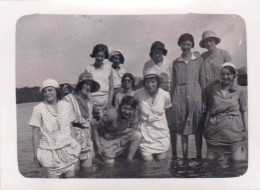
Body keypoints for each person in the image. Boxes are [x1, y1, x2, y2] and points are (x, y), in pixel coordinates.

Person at [29, 79, 80, 178]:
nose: (47, 93)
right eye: (44, 91)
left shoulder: (66, 105)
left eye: (50, 90)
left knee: (71, 183)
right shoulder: (38, 109)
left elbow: (71, 128)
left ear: (56, 91)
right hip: (49, 153)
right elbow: (35, 133)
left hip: (68, 149)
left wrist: (75, 147)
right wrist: (35, 156)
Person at [204, 63, 247, 166]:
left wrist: (246, 130)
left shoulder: (240, 90)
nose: (225, 77)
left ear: (234, 75)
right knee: (211, 164)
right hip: (214, 131)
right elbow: (209, 109)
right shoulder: (214, 89)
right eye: (223, 74)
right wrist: (205, 127)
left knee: (237, 164)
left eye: (228, 74)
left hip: (233, 132)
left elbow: (244, 110)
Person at [171, 33, 206, 159]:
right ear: (179, 45)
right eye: (183, 44)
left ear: (192, 45)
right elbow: (173, 83)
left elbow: (203, 81)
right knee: (181, 125)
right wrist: (172, 100)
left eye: (188, 44)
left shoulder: (199, 60)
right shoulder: (176, 62)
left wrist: (203, 101)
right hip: (179, 94)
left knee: (197, 125)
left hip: (195, 93)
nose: (185, 47)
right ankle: (185, 157)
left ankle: (198, 156)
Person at [143, 41, 177, 157]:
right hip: (152, 95)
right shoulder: (147, 64)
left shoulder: (169, 63)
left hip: (166, 95)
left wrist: (171, 96)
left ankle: (173, 152)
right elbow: (145, 82)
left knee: (169, 124)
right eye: (155, 53)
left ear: (163, 53)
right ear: (152, 54)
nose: (157, 55)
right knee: (153, 122)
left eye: (160, 52)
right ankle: (152, 147)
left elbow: (173, 81)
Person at [63, 71, 100, 168]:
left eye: (90, 85)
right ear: (80, 85)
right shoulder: (68, 99)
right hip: (72, 140)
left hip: (86, 140)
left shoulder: (90, 103)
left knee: (88, 173)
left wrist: (96, 144)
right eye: (86, 84)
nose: (88, 87)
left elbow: (92, 123)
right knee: (73, 173)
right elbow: (64, 123)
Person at [92, 96, 142, 164]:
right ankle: (99, 156)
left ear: (134, 110)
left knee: (137, 135)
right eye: (125, 108)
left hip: (118, 134)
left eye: (130, 109)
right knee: (110, 163)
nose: (127, 112)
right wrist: (98, 146)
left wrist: (116, 133)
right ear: (120, 106)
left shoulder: (134, 113)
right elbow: (95, 127)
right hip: (106, 138)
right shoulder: (111, 115)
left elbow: (133, 128)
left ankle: (129, 159)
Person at [135, 69, 172, 161]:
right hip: (145, 131)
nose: (150, 85)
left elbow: (168, 111)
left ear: (158, 82)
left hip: (161, 132)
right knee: (148, 161)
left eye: (153, 82)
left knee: (161, 160)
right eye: (147, 82)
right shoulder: (138, 94)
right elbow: (135, 112)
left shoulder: (165, 95)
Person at [86, 44, 114, 118]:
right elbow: (87, 89)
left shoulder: (109, 68)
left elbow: (111, 88)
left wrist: (109, 104)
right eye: (98, 56)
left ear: (105, 56)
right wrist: (93, 106)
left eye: (102, 56)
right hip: (92, 100)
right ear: (94, 55)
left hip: (106, 101)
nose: (100, 58)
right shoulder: (89, 68)